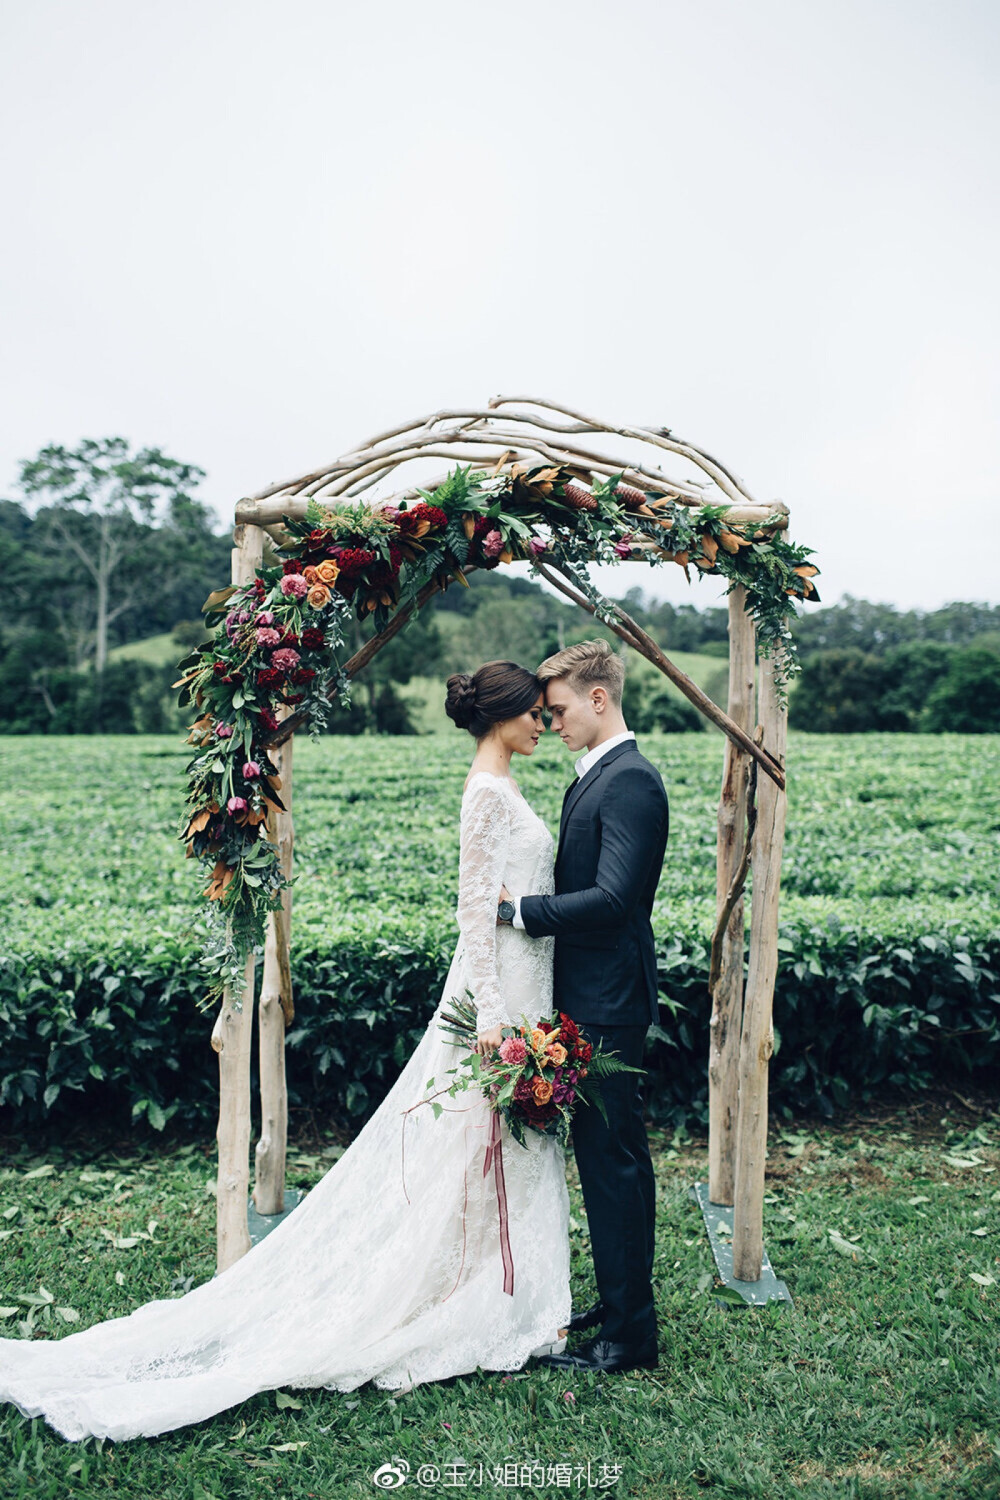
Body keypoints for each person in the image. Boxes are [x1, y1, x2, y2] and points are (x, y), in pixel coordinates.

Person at [0, 660, 571, 1443]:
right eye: (535, 713)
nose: (545, 722)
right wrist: (491, 1017)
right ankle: (463, 1295)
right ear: (504, 716)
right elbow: (474, 916)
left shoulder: (504, 787)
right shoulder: (486, 794)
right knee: (471, 1145)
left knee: (489, 1150)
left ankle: (484, 1286)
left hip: (526, 985)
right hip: (498, 995)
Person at [499, 639, 668, 1375]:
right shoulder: (595, 776)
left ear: (599, 699)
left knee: (615, 1164)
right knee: (609, 1161)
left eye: (560, 709)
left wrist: (521, 913)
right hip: (589, 996)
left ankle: (630, 1338)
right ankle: (621, 1305)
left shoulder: (631, 781)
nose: (553, 722)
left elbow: (614, 898)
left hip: (609, 1002)